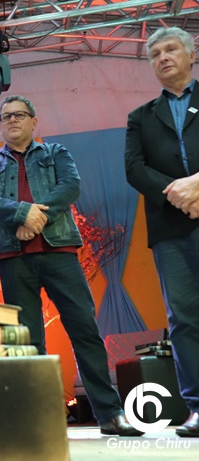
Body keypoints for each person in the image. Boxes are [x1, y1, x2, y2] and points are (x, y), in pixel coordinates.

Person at [0, 95, 141, 436]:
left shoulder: (55, 152)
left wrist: (36, 218)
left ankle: (110, 414)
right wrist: (23, 213)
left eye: (20, 115)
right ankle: (42, 420)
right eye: (6, 116)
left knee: (85, 331)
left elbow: (70, 186)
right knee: (28, 340)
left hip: (59, 251)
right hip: (13, 258)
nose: (13, 120)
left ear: (34, 121)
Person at [125, 26, 199, 437]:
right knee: (184, 318)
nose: (163, 58)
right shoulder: (140, 117)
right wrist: (181, 195)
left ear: (191, 55)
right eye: (155, 54)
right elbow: (135, 170)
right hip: (171, 229)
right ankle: (198, 406)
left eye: (171, 50)